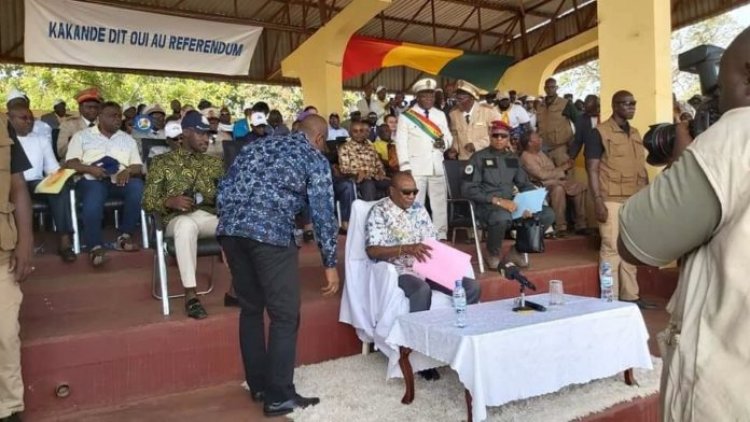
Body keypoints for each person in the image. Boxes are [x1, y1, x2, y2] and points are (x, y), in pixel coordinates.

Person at [618, 26, 750, 421]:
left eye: (718, 90)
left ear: (747, 76)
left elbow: (636, 241)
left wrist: (685, 159)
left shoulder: (736, 135)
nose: (717, 103)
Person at [217, 114, 338, 417]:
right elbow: (323, 212)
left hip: (232, 232)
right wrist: (330, 262)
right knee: (285, 315)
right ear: (320, 139)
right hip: (270, 234)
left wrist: (225, 234)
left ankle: (258, 385)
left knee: (251, 309)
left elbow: (224, 188)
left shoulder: (255, 147)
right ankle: (279, 395)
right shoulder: (314, 157)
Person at [365, 172, 480, 379]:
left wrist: (443, 248)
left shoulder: (419, 209)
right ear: (392, 191)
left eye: (415, 192)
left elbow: (431, 240)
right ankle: (419, 354)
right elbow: (372, 250)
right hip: (400, 269)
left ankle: (458, 341)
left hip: (429, 266)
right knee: (421, 290)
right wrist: (405, 249)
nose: (412, 196)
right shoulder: (379, 211)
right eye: (406, 192)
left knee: (471, 287)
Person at [142, 111, 224, 319]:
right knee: (186, 225)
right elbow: (147, 201)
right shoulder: (162, 162)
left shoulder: (214, 164)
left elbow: (227, 196)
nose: (206, 139)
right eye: (201, 134)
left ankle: (238, 290)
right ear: (186, 133)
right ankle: (191, 295)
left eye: (208, 135)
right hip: (174, 219)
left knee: (237, 225)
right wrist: (169, 201)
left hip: (206, 216)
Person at [584, 91, 654, 309]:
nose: (632, 107)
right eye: (626, 103)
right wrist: (597, 200)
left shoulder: (634, 132)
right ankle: (609, 298)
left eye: (634, 103)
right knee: (611, 248)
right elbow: (592, 169)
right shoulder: (599, 133)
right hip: (610, 198)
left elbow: (640, 167)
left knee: (629, 249)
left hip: (634, 198)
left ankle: (630, 295)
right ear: (615, 106)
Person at [462, 121, 555, 269]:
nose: (499, 139)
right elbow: (468, 189)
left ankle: (518, 250)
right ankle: (493, 253)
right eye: (495, 135)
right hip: (486, 206)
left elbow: (524, 184)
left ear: (508, 138)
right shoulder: (477, 158)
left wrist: (533, 202)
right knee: (501, 216)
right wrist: (497, 201)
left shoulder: (512, 159)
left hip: (511, 206)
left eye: (503, 136)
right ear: (490, 136)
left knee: (547, 214)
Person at [65, 102, 144, 267]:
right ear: (100, 117)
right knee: (94, 193)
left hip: (119, 180)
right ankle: (95, 246)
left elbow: (137, 165)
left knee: (137, 187)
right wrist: (90, 169)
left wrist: (128, 171)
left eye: (119, 116)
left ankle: (124, 236)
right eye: (112, 115)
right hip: (91, 180)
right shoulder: (82, 136)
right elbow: (70, 163)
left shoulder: (127, 139)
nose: (117, 119)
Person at [7, 103, 76, 262]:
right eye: (23, 118)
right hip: (11, 185)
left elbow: (52, 168)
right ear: (10, 120)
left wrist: (61, 176)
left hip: (36, 183)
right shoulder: (5, 142)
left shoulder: (40, 139)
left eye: (31, 118)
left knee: (60, 188)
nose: (29, 122)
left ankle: (65, 242)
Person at [0, 110, 34, 422]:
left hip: (2, 251)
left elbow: (18, 186)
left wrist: (25, 243)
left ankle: (9, 408)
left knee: (5, 334)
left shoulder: (1, 125)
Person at [395, 77, 453, 240]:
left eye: (431, 96)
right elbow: (401, 143)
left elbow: (448, 137)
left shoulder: (440, 114)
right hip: (415, 167)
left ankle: (441, 235)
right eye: (425, 96)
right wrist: (405, 167)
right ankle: (415, 235)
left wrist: (444, 143)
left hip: (437, 166)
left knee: (439, 203)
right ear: (417, 97)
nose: (428, 99)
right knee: (415, 203)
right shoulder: (406, 116)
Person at [519, 131, 588, 237]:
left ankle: (581, 225)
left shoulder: (540, 153)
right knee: (558, 189)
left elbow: (551, 170)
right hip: (540, 186)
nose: (541, 140)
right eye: (538, 138)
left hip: (555, 180)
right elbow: (542, 176)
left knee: (579, 186)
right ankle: (561, 227)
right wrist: (563, 168)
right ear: (530, 143)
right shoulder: (526, 157)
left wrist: (560, 169)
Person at [449, 80, 502, 160]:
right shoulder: (453, 114)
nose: (457, 103)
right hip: (465, 159)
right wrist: (454, 148)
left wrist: (476, 145)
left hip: (486, 158)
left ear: (471, 98)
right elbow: (455, 134)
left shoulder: (489, 112)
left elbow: (498, 135)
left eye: (461, 99)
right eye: (457, 99)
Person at [338, 120, 389, 200]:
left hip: (374, 177)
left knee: (392, 184)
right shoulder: (345, 148)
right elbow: (344, 169)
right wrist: (356, 173)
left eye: (361, 131)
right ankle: (369, 211)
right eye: (355, 131)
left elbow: (379, 164)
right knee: (369, 184)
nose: (359, 134)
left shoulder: (370, 147)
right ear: (350, 133)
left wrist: (380, 172)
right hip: (359, 179)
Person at [537, 78, 578, 167]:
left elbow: (578, 121)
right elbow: (538, 125)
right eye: (548, 87)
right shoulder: (540, 105)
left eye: (552, 87)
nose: (550, 90)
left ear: (556, 88)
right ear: (544, 88)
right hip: (544, 148)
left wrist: (574, 141)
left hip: (561, 148)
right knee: (548, 176)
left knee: (564, 175)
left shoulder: (565, 103)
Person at [57, 87, 102, 159]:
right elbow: (61, 152)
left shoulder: (104, 124)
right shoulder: (68, 125)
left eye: (96, 107)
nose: (93, 110)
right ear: (80, 109)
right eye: (89, 107)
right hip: (74, 165)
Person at [568, 94, 600, 160]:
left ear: (598, 106)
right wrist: (571, 157)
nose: (588, 114)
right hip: (590, 156)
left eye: (591, 111)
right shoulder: (581, 119)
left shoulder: (606, 117)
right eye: (586, 111)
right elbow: (578, 141)